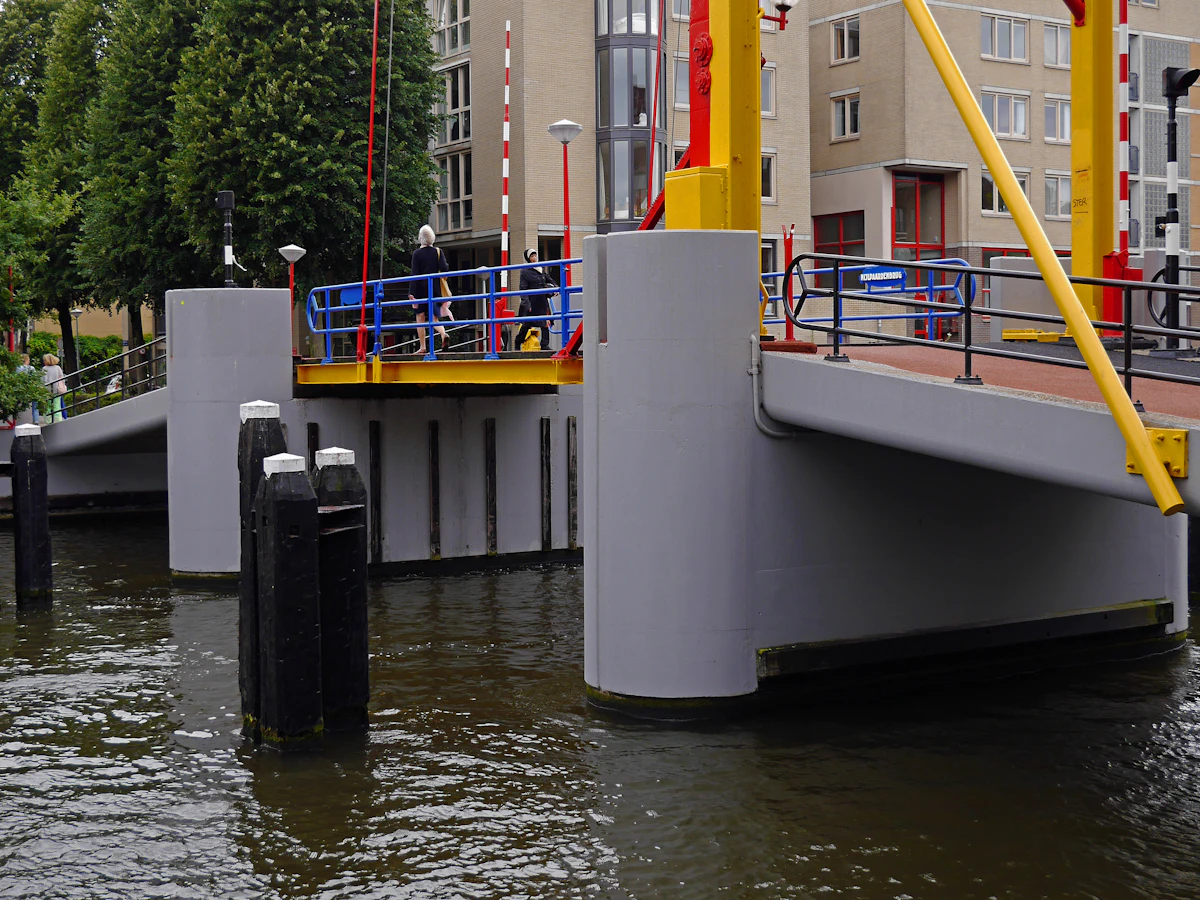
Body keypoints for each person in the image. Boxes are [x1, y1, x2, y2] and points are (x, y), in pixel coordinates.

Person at [408, 225, 450, 354]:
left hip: (421, 290)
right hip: (435, 289)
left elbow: (414, 274)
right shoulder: (438, 251)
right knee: (434, 318)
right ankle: (443, 334)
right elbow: (444, 268)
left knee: (420, 317)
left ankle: (422, 346)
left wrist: (412, 293)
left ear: (421, 238)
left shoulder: (417, 254)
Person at [516, 249, 556, 351]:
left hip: (542, 300)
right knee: (526, 324)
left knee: (545, 321)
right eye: (532, 256)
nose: (534, 258)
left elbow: (549, 279)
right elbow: (523, 288)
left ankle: (544, 344)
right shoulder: (525, 271)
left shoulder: (540, 269)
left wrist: (556, 288)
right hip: (532, 300)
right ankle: (518, 343)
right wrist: (526, 304)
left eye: (535, 255)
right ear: (528, 258)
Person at [41, 353, 66, 423]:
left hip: (47, 391)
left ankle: (48, 422)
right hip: (57, 390)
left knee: (48, 408)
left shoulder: (44, 369)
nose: (44, 362)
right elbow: (62, 379)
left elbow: (42, 380)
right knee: (57, 407)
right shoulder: (58, 368)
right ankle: (59, 422)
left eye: (44, 360)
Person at [15, 354, 38, 425]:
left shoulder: (17, 368)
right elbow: (35, 379)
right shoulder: (31, 368)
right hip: (31, 389)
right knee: (35, 406)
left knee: (17, 404)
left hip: (20, 389)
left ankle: (16, 418)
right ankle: (36, 420)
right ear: (27, 360)